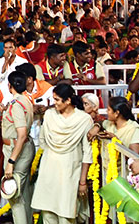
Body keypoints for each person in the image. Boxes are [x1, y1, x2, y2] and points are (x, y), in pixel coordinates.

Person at [31, 83, 94, 224]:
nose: (54, 103)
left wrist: (82, 181)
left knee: (66, 214)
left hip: (70, 173)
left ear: (68, 101)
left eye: (57, 100)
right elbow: (43, 141)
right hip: (49, 170)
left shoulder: (84, 119)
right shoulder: (49, 115)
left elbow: (87, 153)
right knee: (48, 213)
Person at [2, 71, 36, 224]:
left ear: (10, 86)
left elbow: (21, 134)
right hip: (24, 147)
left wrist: (11, 161)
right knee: (25, 193)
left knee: (14, 195)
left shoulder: (16, 104)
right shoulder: (26, 100)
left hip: (17, 149)